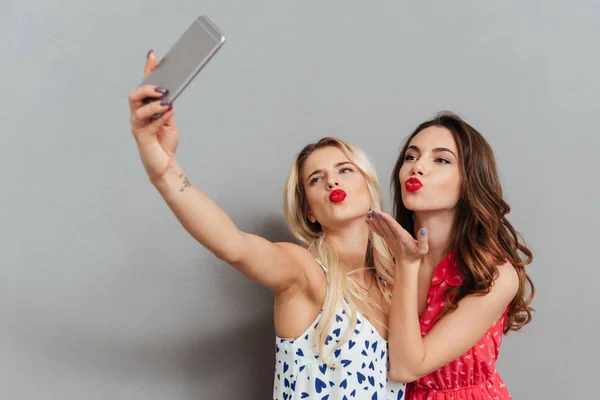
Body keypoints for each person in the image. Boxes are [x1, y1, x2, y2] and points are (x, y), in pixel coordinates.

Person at [127, 50, 406, 399]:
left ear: (369, 184)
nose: (333, 183)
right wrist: (165, 172)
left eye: (344, 170)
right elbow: (233, 245)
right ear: (309, 212)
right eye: (317, 179)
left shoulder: (398, 282)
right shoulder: (304, 271)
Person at [366, 112, 534, 399]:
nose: (417, 167)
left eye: (441, 160)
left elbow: (407, 368)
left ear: (469, 180)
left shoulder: (494, 274)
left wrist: (407, 263)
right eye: (411, 157)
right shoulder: (383, 258)